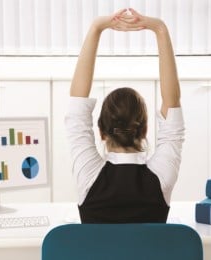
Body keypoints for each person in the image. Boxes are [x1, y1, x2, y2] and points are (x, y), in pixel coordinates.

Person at [65, 8, 185, 223]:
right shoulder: (161, 178)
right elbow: (172, 103)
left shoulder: (89, 176)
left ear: (101, 132)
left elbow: (77, 106)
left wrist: (96, 28)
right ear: (145, 129)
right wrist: (160, 30)